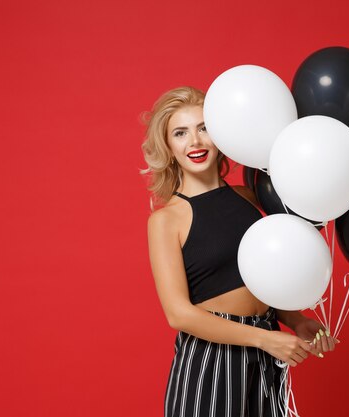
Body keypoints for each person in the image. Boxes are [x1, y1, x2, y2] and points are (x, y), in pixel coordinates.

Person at [141, 86, 337, 417]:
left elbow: (260, 278)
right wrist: (264, 340)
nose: (195, 142)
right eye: (180, 132)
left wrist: (296, 321)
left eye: (204, 128)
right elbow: (179, 314)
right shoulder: (166, 220)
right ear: (168, 147)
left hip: (265, 350)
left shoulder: (248, 198)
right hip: (210, 359)